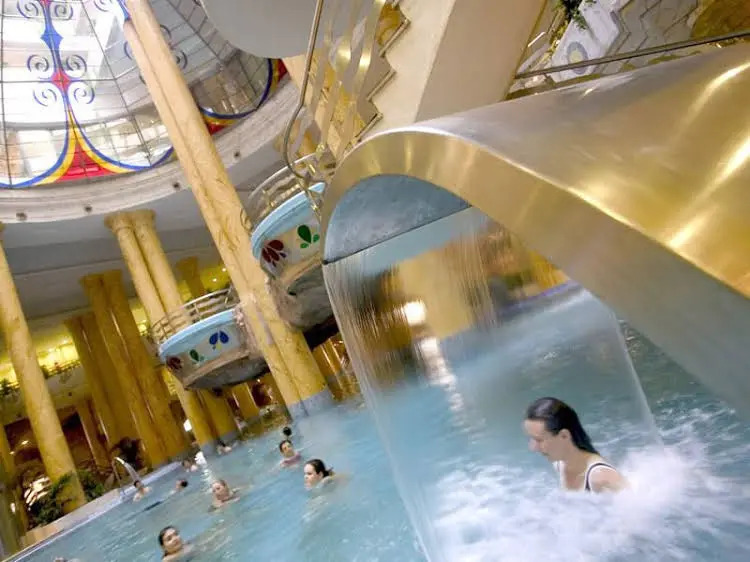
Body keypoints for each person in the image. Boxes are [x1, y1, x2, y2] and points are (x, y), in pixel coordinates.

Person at [523, 397, 627, 493]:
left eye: (539, 440)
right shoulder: (559, 464)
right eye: (531, 438)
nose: (533, 447)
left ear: (564, 436)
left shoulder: (602, 478)